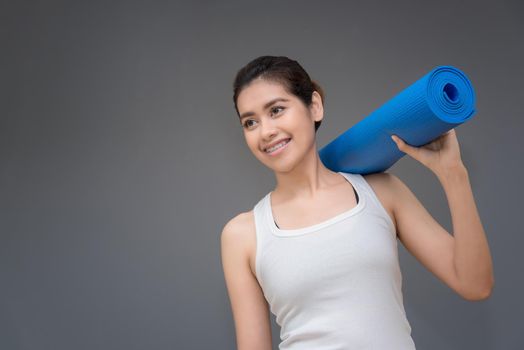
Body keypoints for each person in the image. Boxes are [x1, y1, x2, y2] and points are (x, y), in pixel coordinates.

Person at [220, 55, 494, 350]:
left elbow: (474, 284)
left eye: (276, 110)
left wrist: (454, 175)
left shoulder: (381, 193)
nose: (266, 131)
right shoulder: (243, 234)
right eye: (250, 122)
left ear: (314, 106)